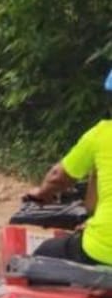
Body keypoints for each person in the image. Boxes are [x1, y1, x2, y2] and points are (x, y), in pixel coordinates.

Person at [26, 69, 112, 266]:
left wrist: (42, 193)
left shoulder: (100, 135)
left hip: (103, 250)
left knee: (43, 253)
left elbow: (58, 177)